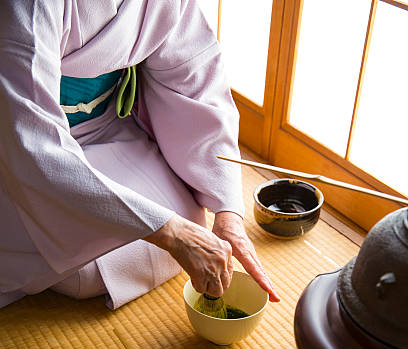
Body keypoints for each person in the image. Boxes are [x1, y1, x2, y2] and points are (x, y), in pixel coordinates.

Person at [0, 0, 280, 310]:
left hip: (105, 126)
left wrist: (228, 213)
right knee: (89, 265)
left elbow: (195, 84)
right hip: (17, 144)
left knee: (190, 219)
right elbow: (28, 139)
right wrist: (171, 233)